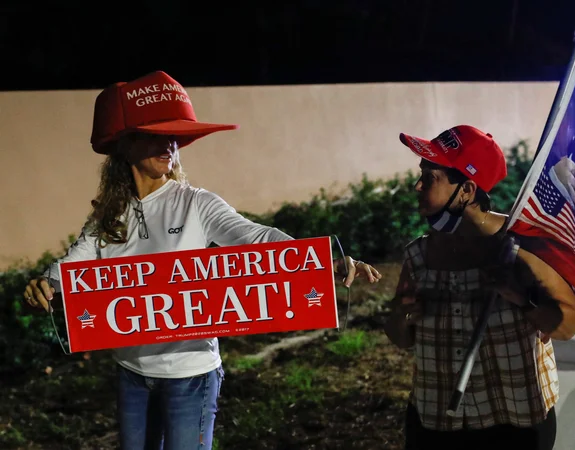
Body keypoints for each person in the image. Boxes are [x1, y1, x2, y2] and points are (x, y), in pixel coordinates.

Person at [22, 70, 382, 450]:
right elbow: (70, 266)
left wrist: (321, 259)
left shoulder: (197, 203)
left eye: (174, 136)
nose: (170, 145)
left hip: (190, 373)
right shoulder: (108, 214)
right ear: (126, 145)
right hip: (131, 371)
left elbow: (257, 237)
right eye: (157, 135)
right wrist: (45, 283)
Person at [384, 125, 575, 450]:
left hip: (515, 424)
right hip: (436, 423)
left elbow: (567, 324)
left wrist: (521, 299)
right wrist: (401, 316)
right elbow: (400, 338)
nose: (417, 185)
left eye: (430, 177)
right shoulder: (418, 255)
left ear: (466, 189)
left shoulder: (522, 248)